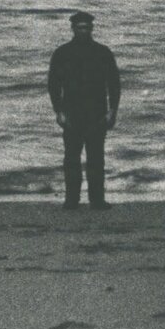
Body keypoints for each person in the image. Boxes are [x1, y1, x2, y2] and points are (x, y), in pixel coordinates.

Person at [47, 11, 121, 210]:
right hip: (72, 114)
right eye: (79, 27)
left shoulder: (102, 52)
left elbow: (114, 84)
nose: (83, 31)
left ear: (92, 29)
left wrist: (112, 110)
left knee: (96, 159)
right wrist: (58, 111)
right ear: (72, 29)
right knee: (71, 159)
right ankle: (72, 200)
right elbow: (53, 84)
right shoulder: (62, 53)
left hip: (97, 113)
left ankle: (97, 200)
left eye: (86, 28)